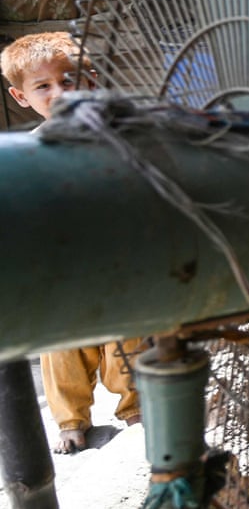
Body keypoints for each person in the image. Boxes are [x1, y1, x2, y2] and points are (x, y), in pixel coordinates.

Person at [1, 31, 145, 453]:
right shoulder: (28, 152)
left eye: (69, 80)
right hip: (62, 272)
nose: (59, 93)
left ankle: (134, 407)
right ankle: (71, 419)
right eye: (43, 86)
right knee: (61, 346)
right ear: (21, 96)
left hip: (118, 263)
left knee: (130, 335)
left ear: (92, 80)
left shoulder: (118, 139)